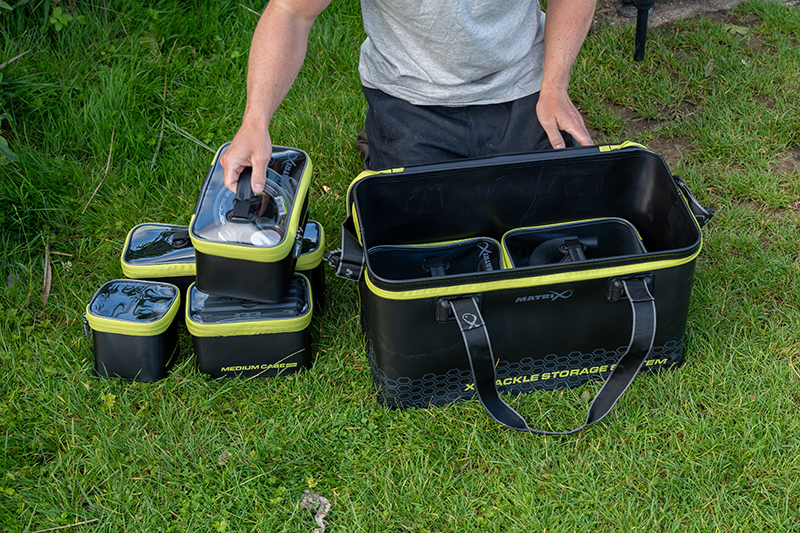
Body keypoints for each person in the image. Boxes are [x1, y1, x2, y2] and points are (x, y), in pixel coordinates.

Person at [222, 0, 597, 194]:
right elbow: (290, 12)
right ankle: (384, 139)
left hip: (522, 84)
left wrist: (554, 87)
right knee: (424, 240)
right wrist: (255, 121)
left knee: (548, 224)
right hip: (410, 98)